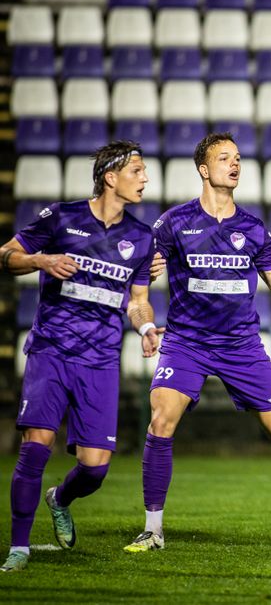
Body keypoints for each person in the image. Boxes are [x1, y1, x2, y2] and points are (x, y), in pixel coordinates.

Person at [123, 132, 271, 554]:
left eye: (239, 158)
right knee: (161, 420)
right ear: (203, 170)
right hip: (187, 342)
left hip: (241, 346)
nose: (235, 164)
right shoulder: (172, 223)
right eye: (224, 158)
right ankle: (153, 530)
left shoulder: (252, 227)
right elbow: (139, 288)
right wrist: (145, 319)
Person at [1, 141, 158, 572]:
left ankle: (60, 498)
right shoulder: (62, 217)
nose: (146, 178)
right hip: (51, 350)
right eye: (138, 171)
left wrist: (145, 327)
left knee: (94, 470)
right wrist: (40, 260)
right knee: (36, 448)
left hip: (101, 360)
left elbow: (138, 300)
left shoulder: (141, 238)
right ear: (111, 177)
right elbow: (6, 256)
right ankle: (19, 547)